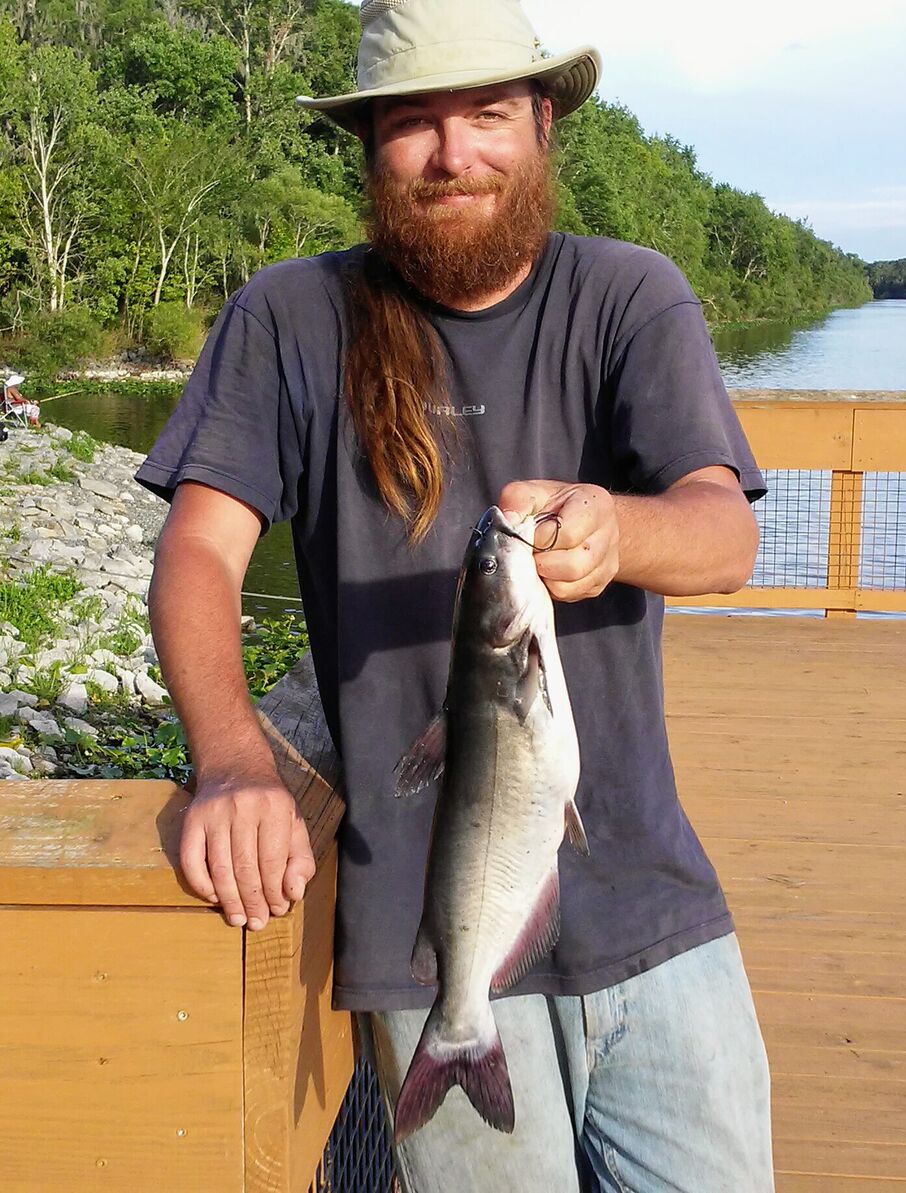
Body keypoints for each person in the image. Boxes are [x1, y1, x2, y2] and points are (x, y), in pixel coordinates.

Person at [136, 0, 774, 1188]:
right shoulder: (289, 318)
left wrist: (621, 528)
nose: (452, 154)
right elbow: (200, 552)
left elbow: (723, 532)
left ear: (543, 125)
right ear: (368, 147)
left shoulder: (631, 295)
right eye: (412, 124)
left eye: (486, 115)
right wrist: (230, 762)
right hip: (427, 944)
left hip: (649, 898)